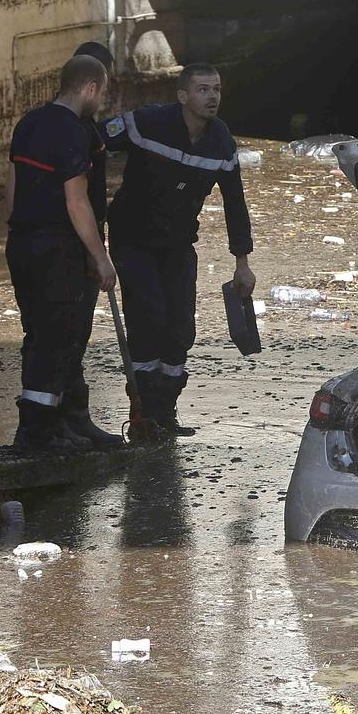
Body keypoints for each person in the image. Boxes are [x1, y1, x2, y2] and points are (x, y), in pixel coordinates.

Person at [102, 63, 256, 436]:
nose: (212, 96)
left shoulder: (221, 142)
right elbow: (93, 144)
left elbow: (236, 203)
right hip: (133, 239)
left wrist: (242, 262)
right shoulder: (148, 123)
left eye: (216, 89)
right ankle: (143, 413)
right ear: (183, 96)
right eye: (203, 90)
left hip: (178, 242)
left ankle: (165, 410)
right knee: (148, 318)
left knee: (181, 326)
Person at [4, 54, 118, 450]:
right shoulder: (73, 132)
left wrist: (20, 234)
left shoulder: (28, 123)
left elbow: (13, 190)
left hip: (22, 243)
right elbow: (77, 202)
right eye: (101, 93)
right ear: (89, 88)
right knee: (60, 336)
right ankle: (37, 431)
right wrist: (99, 255)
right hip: (58, 247)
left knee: (38, 332)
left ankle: (62, 424)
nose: (100, 102)